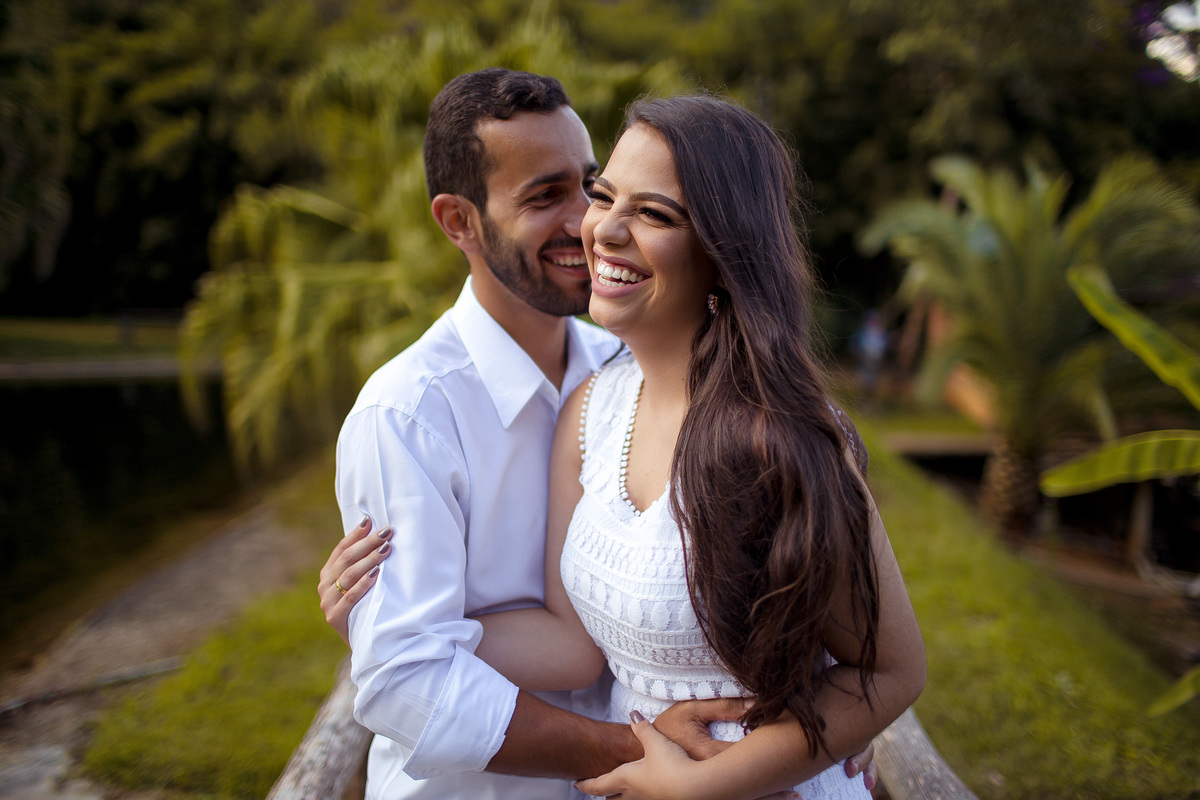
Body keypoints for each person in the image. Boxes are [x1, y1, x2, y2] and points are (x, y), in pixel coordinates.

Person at [321, 69, 880, 799]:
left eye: (590, 184)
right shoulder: (406, 416)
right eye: (544, 196)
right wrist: (387, 628)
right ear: (459, 221)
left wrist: (845, 704)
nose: (589, 220)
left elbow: (825, 583)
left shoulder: (622, 365)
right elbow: (414, 680)